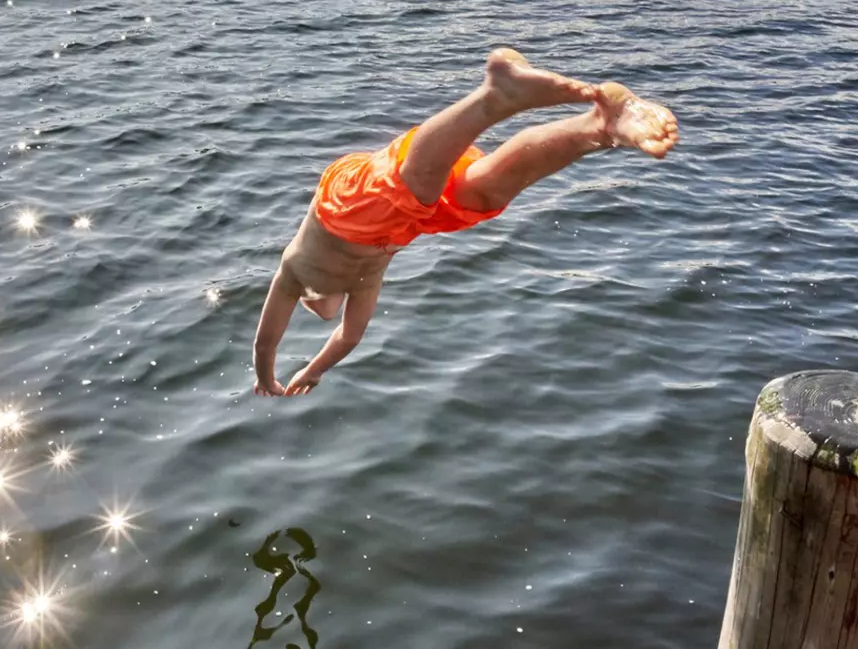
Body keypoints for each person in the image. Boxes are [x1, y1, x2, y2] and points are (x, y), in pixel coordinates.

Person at [252, 49, 678, 397]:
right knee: (485, 192)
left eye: (312, 309)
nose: (322, 311)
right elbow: (348, 338)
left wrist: (265, 376)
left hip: (344, 205)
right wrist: (313, 370)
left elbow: (266, 339)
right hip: (402, 225)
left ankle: (492, 98)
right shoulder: (362, 285)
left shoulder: (293, 274)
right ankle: (602, 125)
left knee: (407, 185)